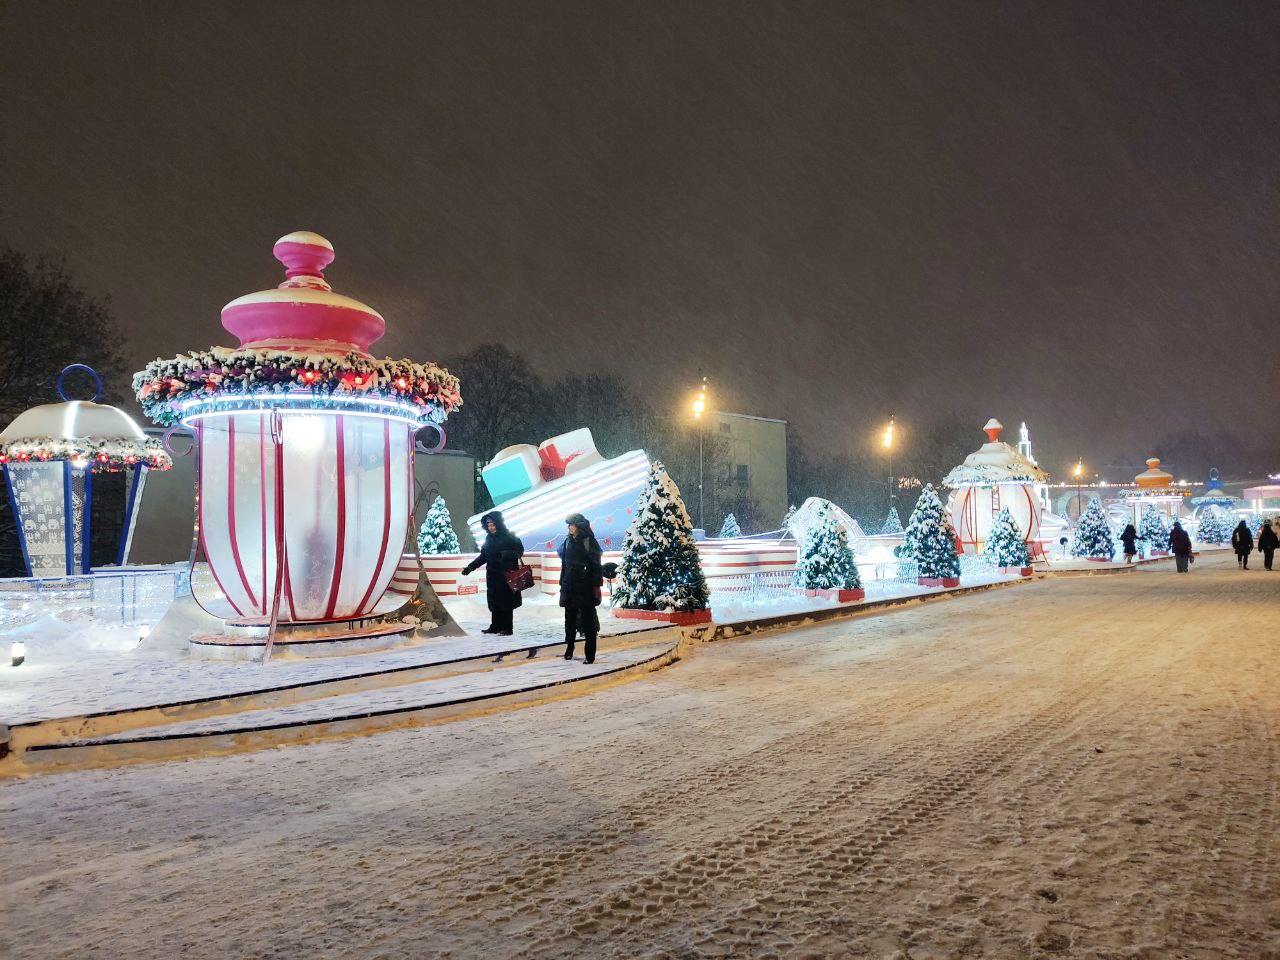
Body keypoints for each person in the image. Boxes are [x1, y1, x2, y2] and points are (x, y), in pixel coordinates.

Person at [461, 511, 526, 640]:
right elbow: (483, 556)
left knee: (506, 602)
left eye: (493, 524)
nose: (491, 527)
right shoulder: (488, 538)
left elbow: (519, 551)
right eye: (488, 525)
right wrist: (470, 567)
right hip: (493, 576)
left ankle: (507, 628)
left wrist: (506, 554)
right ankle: (495, 626)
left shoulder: (509, 537)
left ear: (499, 524)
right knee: (495, 601)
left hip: (507, 575)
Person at [558, 512, 603, 664]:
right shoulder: (567, 541)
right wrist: (562, 583)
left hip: (585, 589)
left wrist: (596, 586)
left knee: (588, 622)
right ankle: (569, 649)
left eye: (571, 525)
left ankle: (590, 655)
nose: (569, 528)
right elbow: (564, 564)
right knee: (569, 621)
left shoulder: (589, 541)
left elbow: (597, 566)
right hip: (569, 587)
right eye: (569, 525)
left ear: (579, 526)